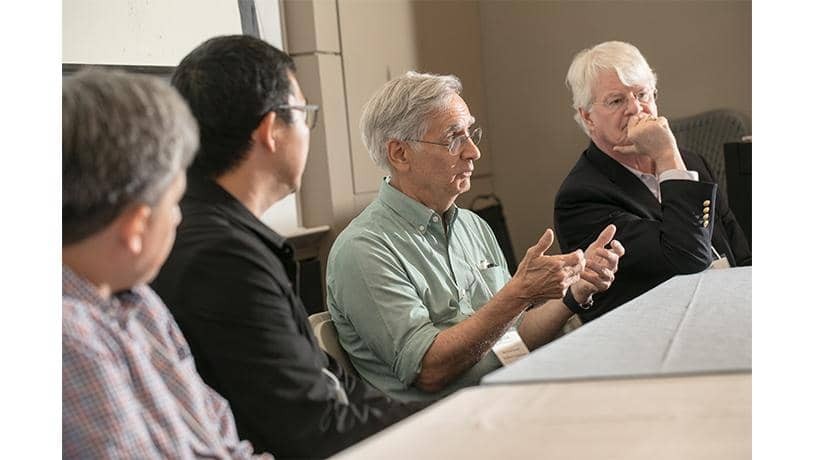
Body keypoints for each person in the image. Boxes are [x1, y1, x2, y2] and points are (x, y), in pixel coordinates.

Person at [151, 35, 422, 459]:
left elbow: (330, 381)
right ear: (271, 130)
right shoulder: (219, 256)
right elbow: (313, 428)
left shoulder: (220, 232)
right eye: (302, 115)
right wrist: (454, 415)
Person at [326, 71, 625, 402]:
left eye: (471, 134)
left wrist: (576, 290)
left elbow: (513, 337)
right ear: (399, 154)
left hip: (510, 396)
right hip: (438, 428)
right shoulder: (364, 249)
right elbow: (429, 371)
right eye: (454, 138)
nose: (473, 152)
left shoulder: (472, 225)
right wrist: (518, 294)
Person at [62, 69, 267, 458]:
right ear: (136, 226)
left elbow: (219, 440)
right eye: (174, 203)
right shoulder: (68, 343)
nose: (178, 218)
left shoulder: (139, 302)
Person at [554, 41, 751, 323]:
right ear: (588, 117)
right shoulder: (581, 197)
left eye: (642, 94)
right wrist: (666, 154)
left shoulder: (691, 163)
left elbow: (742, 255)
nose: (636, 109)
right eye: (616, 100)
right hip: (658, 336)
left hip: (728, 314)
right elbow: (688, 259)